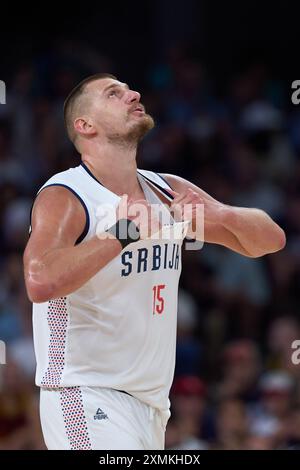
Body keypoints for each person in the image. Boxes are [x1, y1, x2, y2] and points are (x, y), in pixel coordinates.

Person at [23, 73, 286, 450]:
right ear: (86, 125)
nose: (133, 94)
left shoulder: (165, 189)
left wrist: (221, 215)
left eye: (128, 89)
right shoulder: (67, 194)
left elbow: (270, 241)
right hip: (85, 392)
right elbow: (39, 281)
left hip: (151, 405)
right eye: (114, 94)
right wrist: (121, 234)